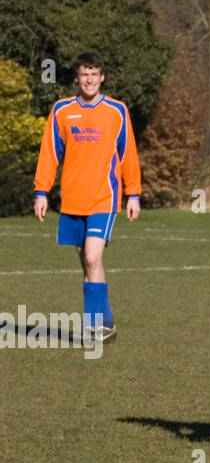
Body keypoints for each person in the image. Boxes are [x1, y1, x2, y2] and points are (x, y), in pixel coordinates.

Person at [33, 52, 140, 343]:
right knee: (89, 264)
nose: (89, 80)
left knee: (92, 257)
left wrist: (133, 193)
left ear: (102, 77)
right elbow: (49, 153)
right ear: (77, 78)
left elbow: (128, 153)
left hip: (104, 198)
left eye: (94, 74)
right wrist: (41, 191)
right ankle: (106, 322)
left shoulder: (117, 110)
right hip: (72, 200)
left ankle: (92, 329)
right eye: (84, 75)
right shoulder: (62, 110)